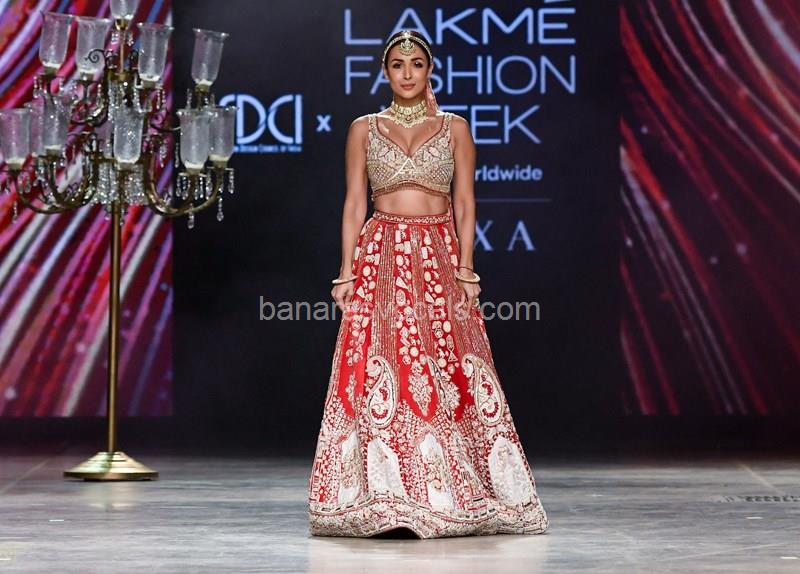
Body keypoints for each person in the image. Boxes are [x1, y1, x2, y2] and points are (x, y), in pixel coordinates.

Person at [307, 30, 549, 538]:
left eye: (416, 63)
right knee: (381, 365)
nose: (407, 73)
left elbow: (465, 202)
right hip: (381, 254)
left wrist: (466, 269)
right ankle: (384, 493)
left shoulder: (455, 127)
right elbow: (354, 203)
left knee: (443, 367)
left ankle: (444, 489)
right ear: (385, 71)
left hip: (438, 256)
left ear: (430, 69)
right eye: (398, 64)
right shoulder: (363, 129)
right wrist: (346, 270)